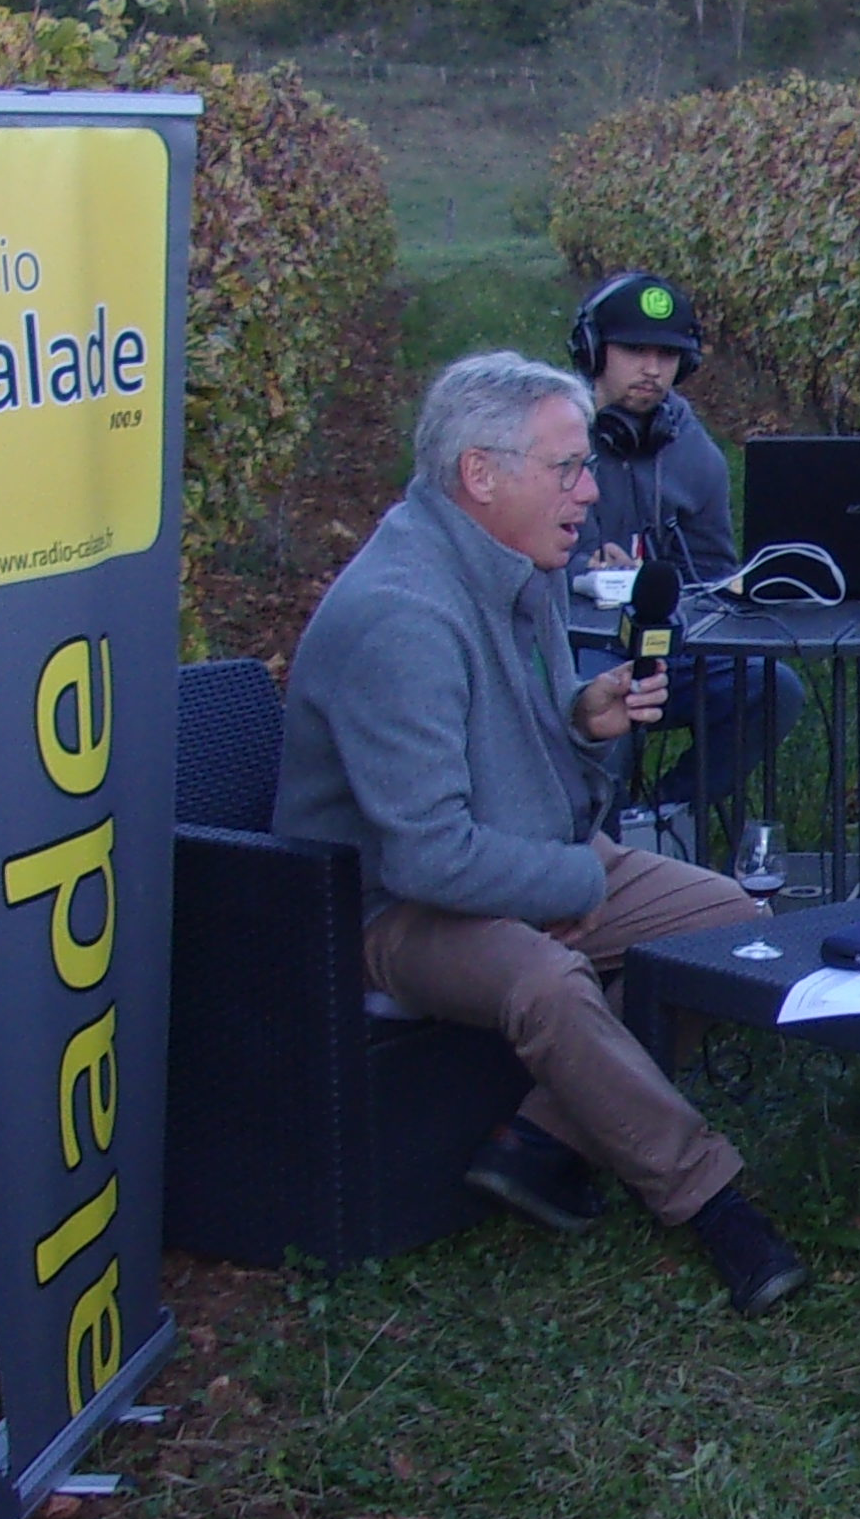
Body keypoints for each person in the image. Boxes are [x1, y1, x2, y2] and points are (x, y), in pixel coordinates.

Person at [273, 349, 810, 1318]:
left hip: (512, 858)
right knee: (548, 980)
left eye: (585, 467)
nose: (589, 492)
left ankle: (541, 1140)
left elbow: (506, 755)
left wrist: (580, 719)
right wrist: (568, 888)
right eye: (567, 469)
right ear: (481, 474)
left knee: (728, 924)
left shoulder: (512, 569)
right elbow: (426, 857)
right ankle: (710, 1202)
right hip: (387, 909)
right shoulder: (402, 618)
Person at [569, 268, 795, 838]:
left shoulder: (695, 454)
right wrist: (580, 573)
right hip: (569, 648)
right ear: (593, 351)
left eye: (667, 355)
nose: (652, 369)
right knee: (609, 706)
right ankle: (596, 846)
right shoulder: (552, 437)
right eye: (634, 351)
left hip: (666, 646)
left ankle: (662, 820)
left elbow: (715, 579)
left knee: (773, 688)